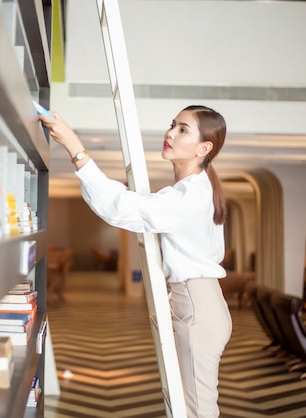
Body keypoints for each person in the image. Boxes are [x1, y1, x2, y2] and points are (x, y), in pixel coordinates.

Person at [39, 105, 232, 418]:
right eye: (173, 125)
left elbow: (120, 208)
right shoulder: (189, 190)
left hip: (197, 305)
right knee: (189, 407)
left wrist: (74, 146)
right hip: (196, 301)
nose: (170, 133)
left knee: (197, 411)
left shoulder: (191, 194)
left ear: (204, 147)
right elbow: (136, 208)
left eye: (183, 129)